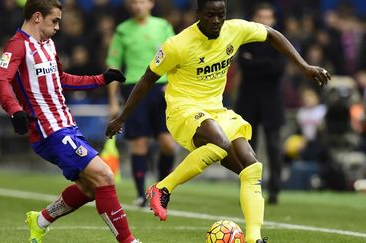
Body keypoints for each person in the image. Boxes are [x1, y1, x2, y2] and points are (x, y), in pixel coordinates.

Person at [105, 0, 331, 242]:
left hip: (216, 110)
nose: (215, 21)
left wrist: (304, 66)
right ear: (198, 14)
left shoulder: (235, 29)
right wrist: (122, 117)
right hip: (183, 110)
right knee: (220, 143)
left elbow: (271, 34)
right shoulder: (177, 45)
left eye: (220, 15)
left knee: (252, 168)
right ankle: (162, 188)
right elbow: (146, 80)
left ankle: (254, 238)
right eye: (210, 15)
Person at [0, 1, 139, 243]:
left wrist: (101, 79)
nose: (58, 27)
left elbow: (61, 79)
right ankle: (129, 241)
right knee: (105, 175)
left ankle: (40, 220)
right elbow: (1, 80)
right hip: (48, 131)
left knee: (91, 188)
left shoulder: (48, 44)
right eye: (55, 21)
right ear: (37, 17)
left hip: (67, 126)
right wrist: (15, 110)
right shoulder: (18, 46)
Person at [106, 0, 176, 207]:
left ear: (151, 4)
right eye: (134, 2)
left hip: (161, 88)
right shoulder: (122, 30)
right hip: (134, 89)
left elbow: (177, 57)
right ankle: (140, 195)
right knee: (140, 142)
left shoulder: (163, 26)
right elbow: (113, 64)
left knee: (168, 145)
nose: (138, 6)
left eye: (141, 1)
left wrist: (174, 84)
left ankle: (162, 188)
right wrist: (113, 100)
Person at [235, 3, 285, 204]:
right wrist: (265, 65)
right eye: (260, 16)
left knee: (274, 148)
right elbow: (244, 64)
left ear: (273, 20)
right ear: (254, 18)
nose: (264, 20)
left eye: (268, 17)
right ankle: (251, 190)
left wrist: (255, 63)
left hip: (272, 101)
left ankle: (274, 190)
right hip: (248, 100)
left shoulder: (279, 41)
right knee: (247, 149)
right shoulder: (245, 39)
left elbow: (278, 69)